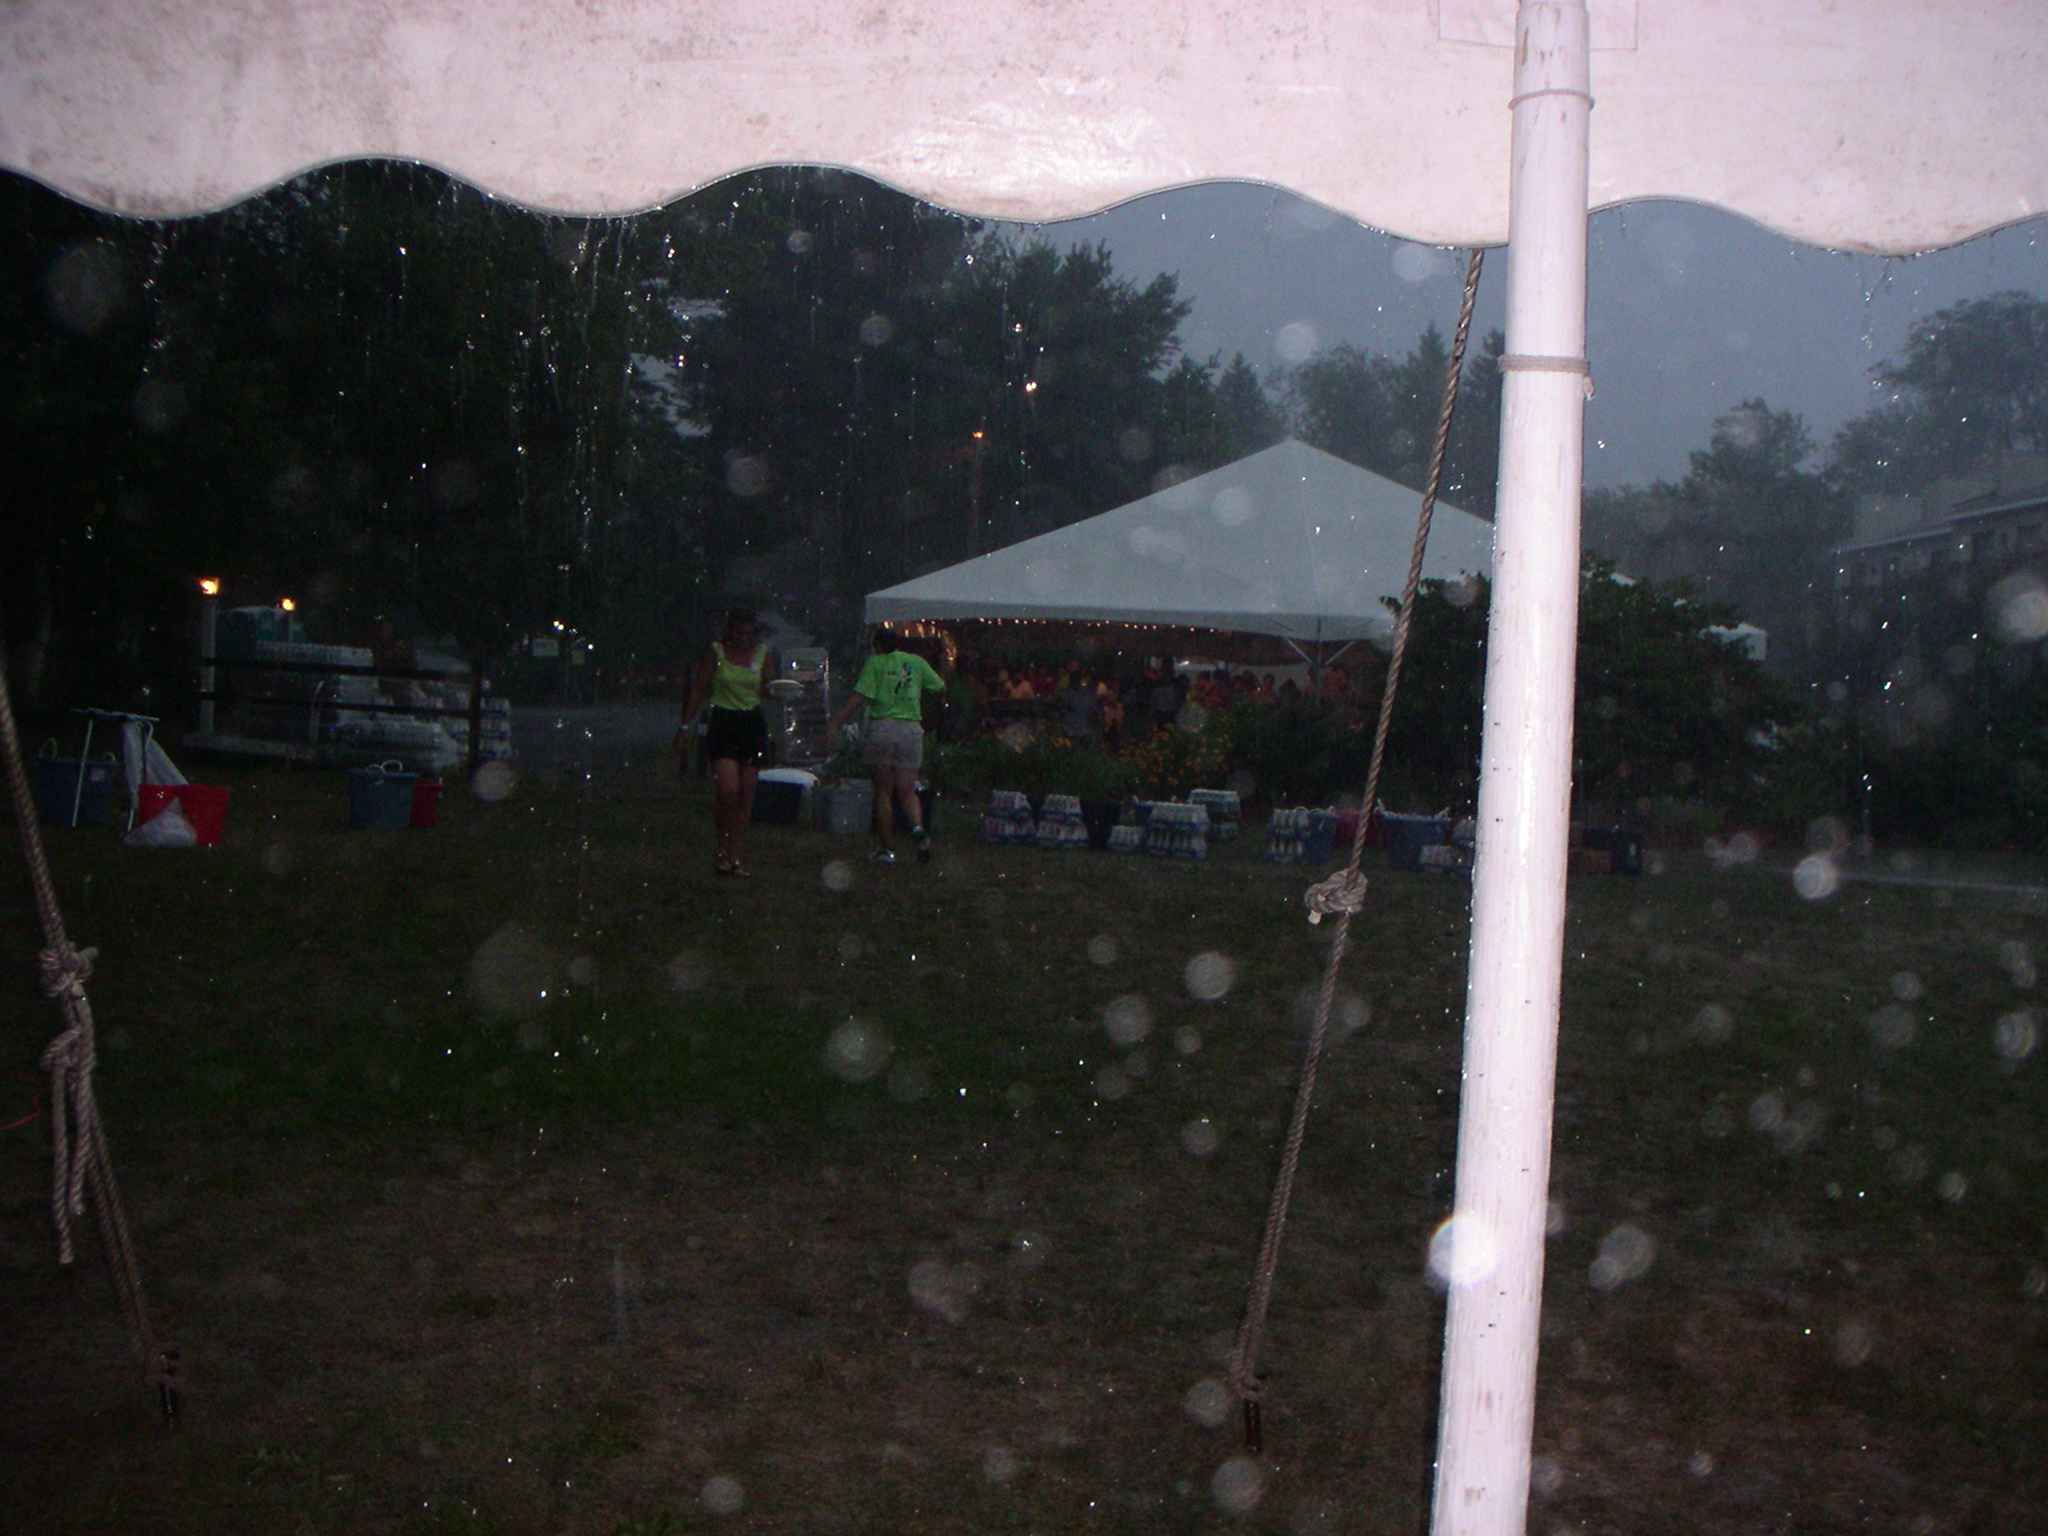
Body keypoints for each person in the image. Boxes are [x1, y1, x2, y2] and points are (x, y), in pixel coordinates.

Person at [826, 629, 947, 865]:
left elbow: (859, 697)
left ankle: (887, 849)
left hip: (883, 728)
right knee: (907, 790)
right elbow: (940, 687)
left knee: (883, 791)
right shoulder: (916, 662)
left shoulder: (876, 663)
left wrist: (836, 722)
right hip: (911, 729)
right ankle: (918, 830)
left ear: (877, 646)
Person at [681, 608, 774, 876]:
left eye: (748, 633)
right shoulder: (716, 653)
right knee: (728, 790)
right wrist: (685, 725)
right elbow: (699, 688)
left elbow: (769, 687)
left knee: (746, 793)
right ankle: (721, 846)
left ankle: (735, 854)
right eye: (738, 632)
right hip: (723, 721)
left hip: (752, 723)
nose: (743, 638)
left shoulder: (762, 654)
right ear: (729, 631)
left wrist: (780, 689)